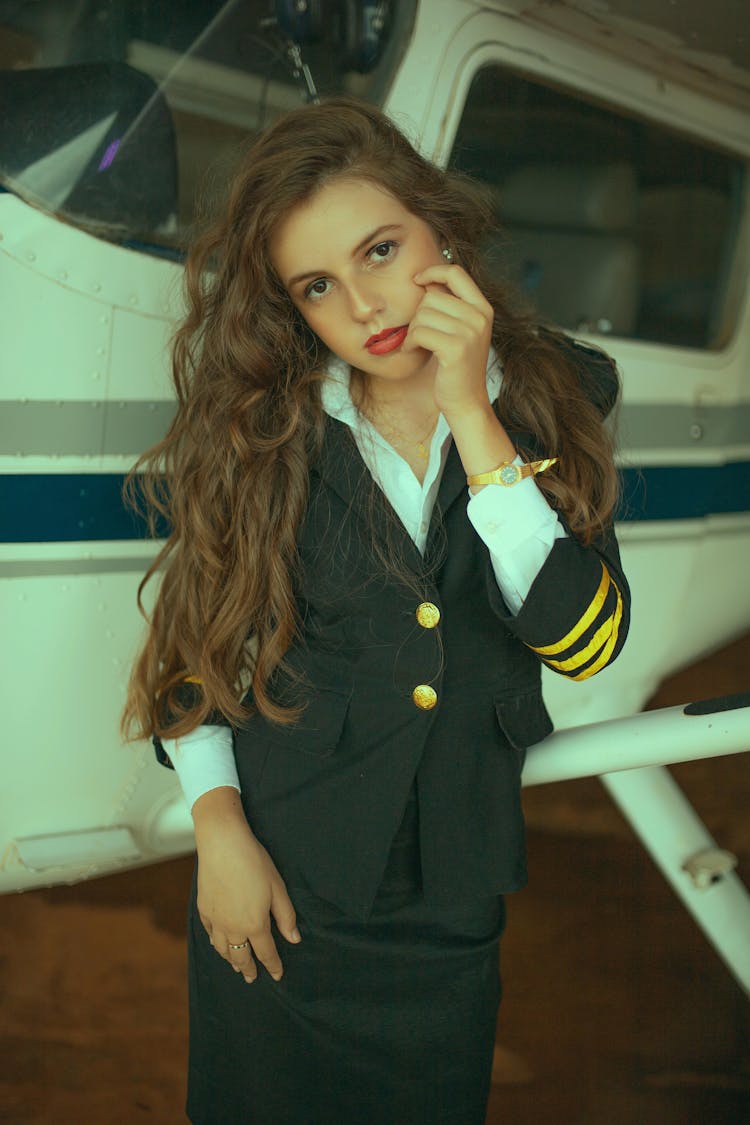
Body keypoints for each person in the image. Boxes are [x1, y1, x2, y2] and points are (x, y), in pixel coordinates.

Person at [122, 96, 630, 1125]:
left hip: (451, 898)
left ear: (439, 228)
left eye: (382, 249)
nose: (363, 304)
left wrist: (470, 412)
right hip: (276, 884)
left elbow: (587, 642)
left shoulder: (558, 392)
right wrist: (219, 837)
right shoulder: (266, 429)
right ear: (294, 309)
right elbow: (190, 655)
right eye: (319, 285)